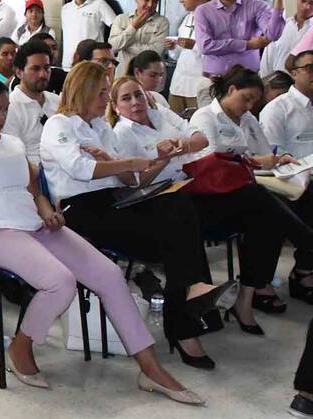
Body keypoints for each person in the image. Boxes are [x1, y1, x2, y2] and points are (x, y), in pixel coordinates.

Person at [0, 75, 200, 400]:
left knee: (109, 274)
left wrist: (47, 210)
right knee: (60, 281)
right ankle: (21, 347)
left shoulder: (13, 144)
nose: (3, 117)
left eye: (6, 109)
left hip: (30, 225)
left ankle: (150, 369)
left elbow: (34, 192)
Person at [39, 61, 235, 368]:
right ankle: (187, 314)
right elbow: (81, 168)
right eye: (101, 92)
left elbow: (129, 179)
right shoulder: (59, 124)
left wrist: (125, 161)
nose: (106, 99)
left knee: (180, 206)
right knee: (177, 237)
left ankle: (188, 306)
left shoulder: (101, 127)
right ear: (83, 91)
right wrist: (124, 163)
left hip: (115, 200)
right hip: (80, 209)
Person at [112, 73, 312, 323]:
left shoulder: (161, 114)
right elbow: (135, 182)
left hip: (193, 188)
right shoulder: (121, 133)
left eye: (138, 95)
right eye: (126, 98)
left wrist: (178, 148)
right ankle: (306, 243)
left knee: (262, 211)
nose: (135, 102)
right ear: (116, 106)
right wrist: (164, 158)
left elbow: (200, 139)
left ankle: (248, 296)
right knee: (258, 200)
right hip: (164, 201)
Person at [195, 0, 293, 76]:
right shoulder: (203, 11)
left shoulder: (257, 6)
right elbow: (206, 46)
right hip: (214, 78)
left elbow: (273, 35)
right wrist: (247, 45)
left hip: (248, 78)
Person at [3, 39, 59, 164]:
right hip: (31, 171)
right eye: (35, 69)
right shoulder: (10, 107)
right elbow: (12, 154)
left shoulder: (57, 101)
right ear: (19, 72)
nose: (43, 74)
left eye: (47, 68)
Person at [169, 0, 214, 113]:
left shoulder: (218, 16)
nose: (181, 0)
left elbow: (219, 51)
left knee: (200, 123)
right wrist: (173, 47)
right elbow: (178, 55)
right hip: (178, 86)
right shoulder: (188, 18)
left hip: (199, 88)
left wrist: (194, 45)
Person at [60, 0, 116, 68]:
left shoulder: (99, 4)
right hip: (68, 63)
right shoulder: (65, 8)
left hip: (92, 63)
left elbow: (116, 26)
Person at [260, 0, 313, 78]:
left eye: (312, 3)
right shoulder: (282, 26)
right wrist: (264, 83)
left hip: (304, 86)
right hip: (274, 84)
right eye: (303, 1)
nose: (307, 7)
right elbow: (267, 60)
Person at [108, 0, 169, 67]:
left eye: (154, 1)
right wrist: (133, 27)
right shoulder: (121, 19)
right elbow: (112, 47)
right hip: (124, 72)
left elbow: (156, 52)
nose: (150, 4)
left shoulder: (162, 22)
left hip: (149, 72)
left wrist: (124, 45)